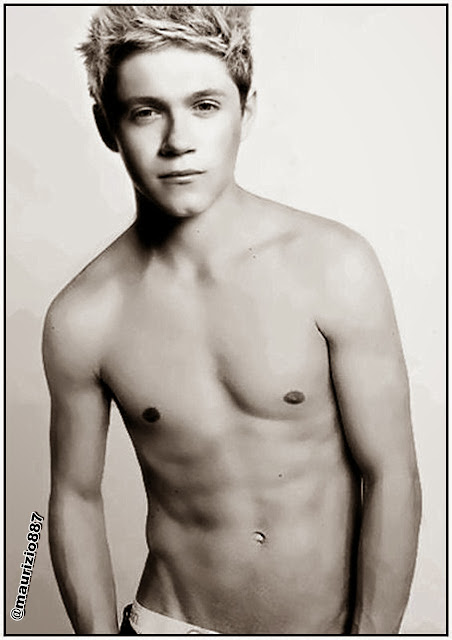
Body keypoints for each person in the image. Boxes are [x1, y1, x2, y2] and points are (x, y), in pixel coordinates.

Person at [43, 5, 422, 635]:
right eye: (145, 111)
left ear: (245, 112)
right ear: (107, 125)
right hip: (168, 623)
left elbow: (392, 475)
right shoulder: (82, 317)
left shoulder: (333, 265)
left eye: (204, 106)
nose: (178, 141)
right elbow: (69, 501)